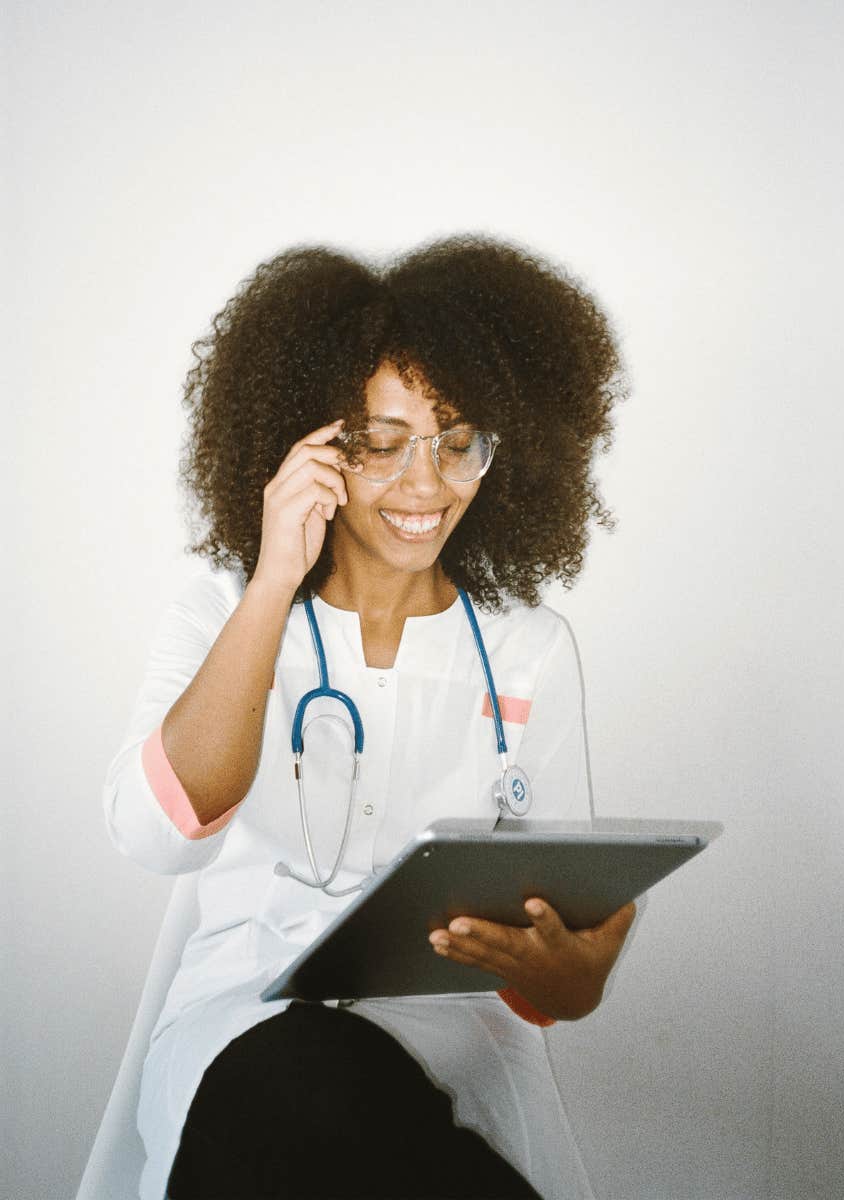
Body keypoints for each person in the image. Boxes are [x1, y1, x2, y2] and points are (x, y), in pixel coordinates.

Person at [103, 233, 637, 1200]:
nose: (425, 485)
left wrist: (567, 966)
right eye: (382, 444)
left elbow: (561, 992)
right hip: (242, 1025)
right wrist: (273, 579)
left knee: (338, 1108)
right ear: (312, 448)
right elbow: (158, 834)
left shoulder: (528, 647)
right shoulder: (223, 610)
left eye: (458, 440)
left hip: (449, 1043)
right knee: (300, 1077)